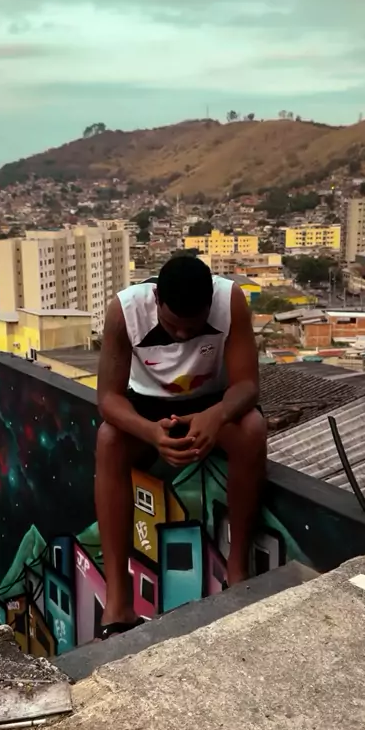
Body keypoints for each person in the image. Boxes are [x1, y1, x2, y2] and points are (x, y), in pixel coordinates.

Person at [95, 255, 267, 638]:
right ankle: (118, 604)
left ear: (210, 303)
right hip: (148, 406)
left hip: (213, 403)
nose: (184, 336)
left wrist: (217, 415)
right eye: (173, 326)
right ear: (156, 298)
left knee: (253, 429)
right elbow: (108, 399)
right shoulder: (124, 310)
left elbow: (247, 386)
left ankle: (237, 573)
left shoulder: (231, 300)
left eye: (194, 327)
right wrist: (151, 433)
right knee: (108, 440)